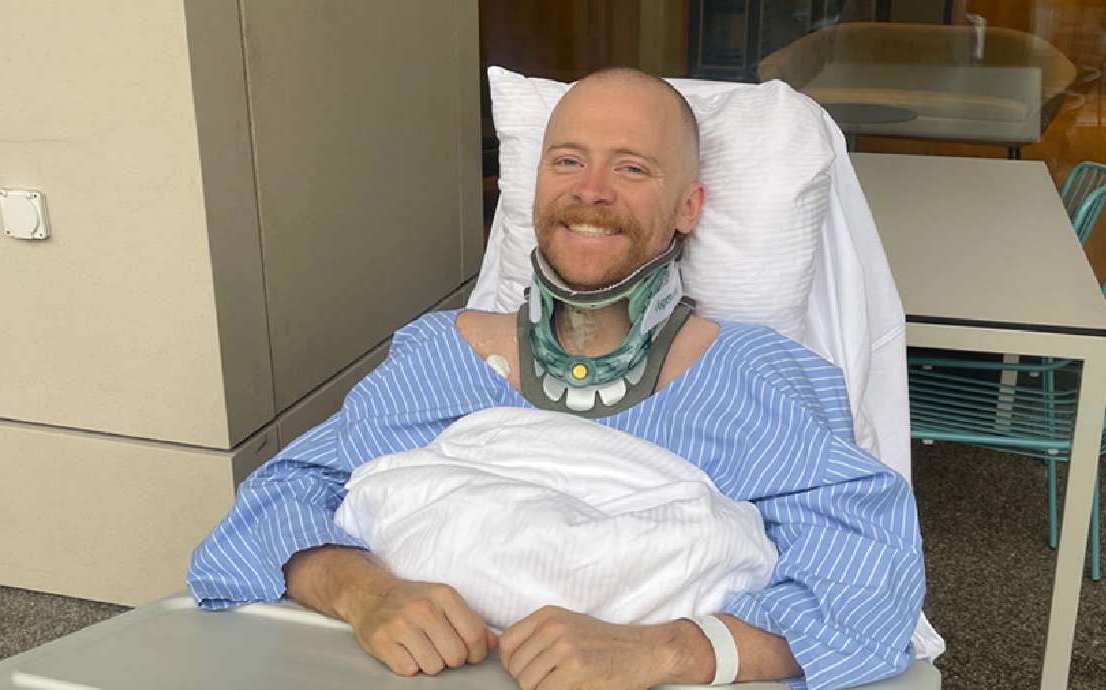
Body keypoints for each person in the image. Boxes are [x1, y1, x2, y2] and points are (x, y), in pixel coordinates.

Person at [187, 67, 925, 690]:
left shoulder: (758, 378)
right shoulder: (440, 356)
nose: (592, 190)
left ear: (688, 208)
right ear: (535, 189)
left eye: (632, 168)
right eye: (567, 161)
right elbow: (272, 510)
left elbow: (867, 594)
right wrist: (365, 592)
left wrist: (663, 649)